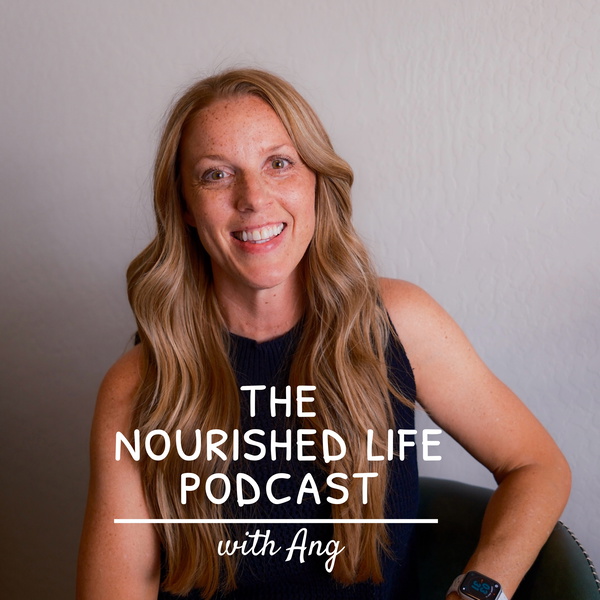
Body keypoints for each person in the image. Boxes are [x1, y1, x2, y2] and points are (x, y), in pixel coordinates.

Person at [77, 68, 571, 600]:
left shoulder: (400, 322)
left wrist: (477, 591)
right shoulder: (137, 385)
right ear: (186, 207)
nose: (253, 198)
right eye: (216, 174)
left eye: (279, 163)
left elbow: (536, 465)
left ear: (315, 180)